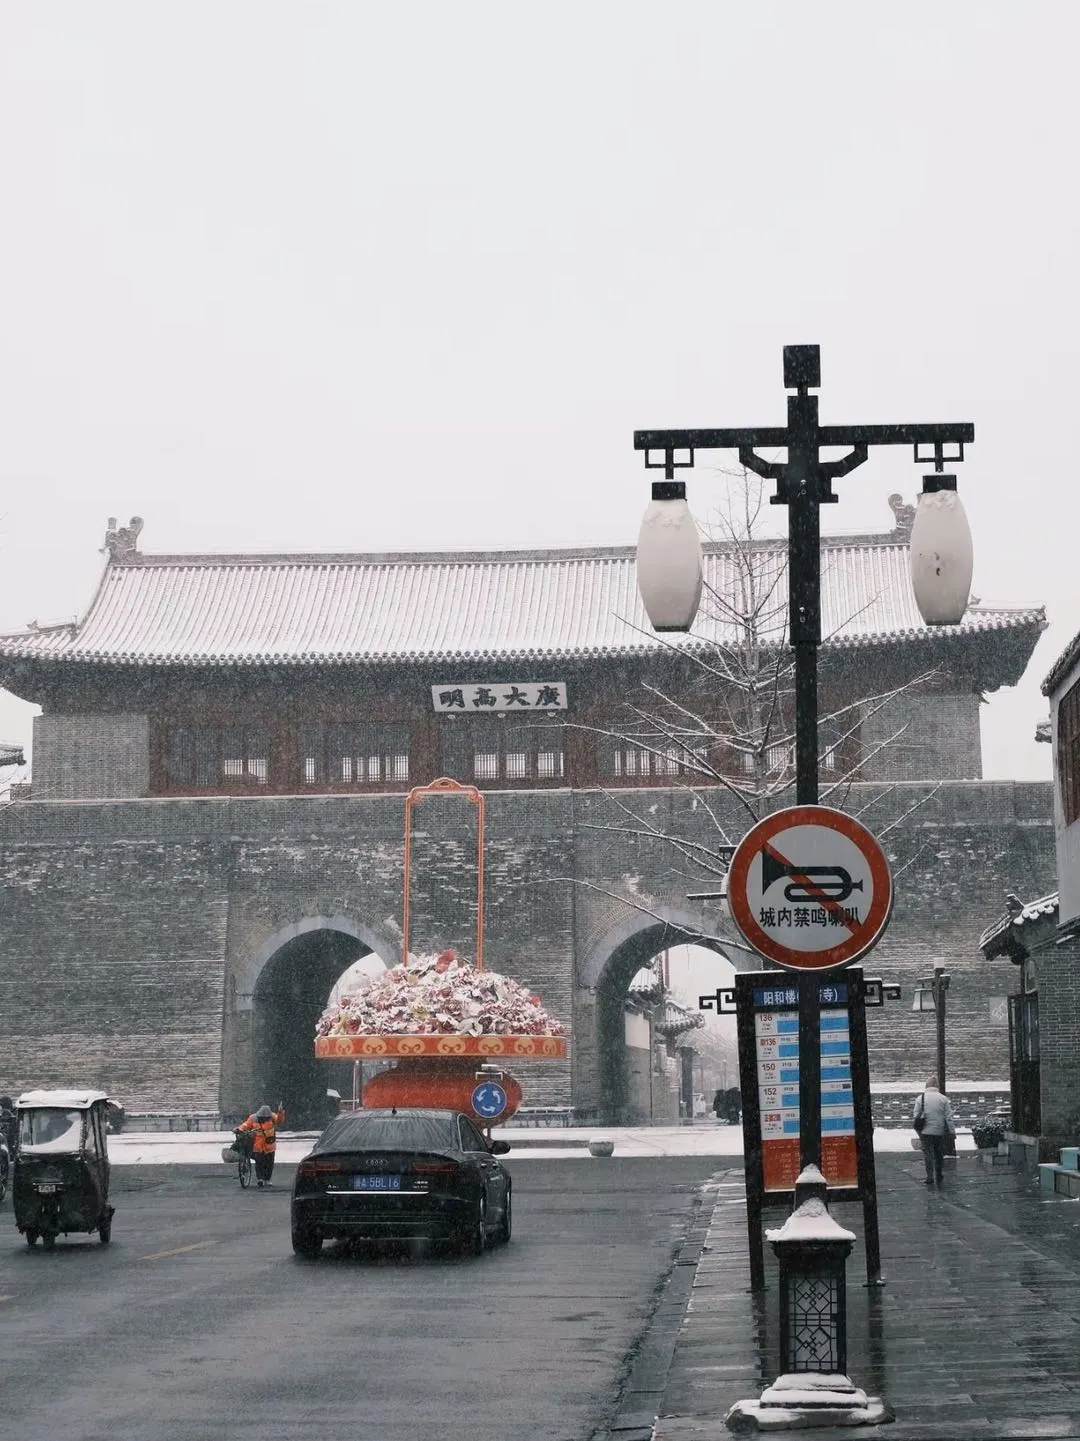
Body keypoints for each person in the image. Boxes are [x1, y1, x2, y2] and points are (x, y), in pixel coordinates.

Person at [914, 1078, 955, 1186]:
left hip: (925, 1131)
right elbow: (948, 1117)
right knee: (938, 1153)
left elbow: (916, 1115)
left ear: (926, 1086)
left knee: (927, 1153)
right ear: (936, 1086)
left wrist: (919, 1130)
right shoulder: (943, 1098)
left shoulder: (920, 1098)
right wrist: (952, 1131)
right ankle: (939, 1173)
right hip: (939, 1131)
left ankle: (929, 1176)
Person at [237, 1101, 285, 1187]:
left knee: (269, 1163)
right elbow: (245, 1125)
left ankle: (267, 1179)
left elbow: (279, 1120)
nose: (265, 1119)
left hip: (270, 1145)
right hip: (258, 1146)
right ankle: (261, 1179)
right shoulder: (253, 1118)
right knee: (259, 1163)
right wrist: (239, 1129)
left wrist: (280, 1112)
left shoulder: (272, 1117)